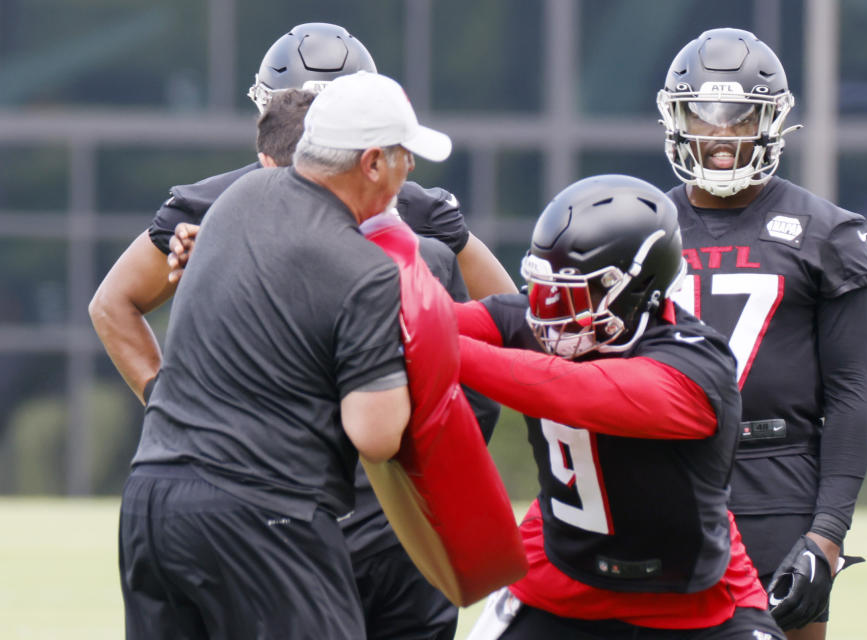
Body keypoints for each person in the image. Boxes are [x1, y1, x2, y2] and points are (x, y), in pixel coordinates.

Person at [118, 71, 453, 638]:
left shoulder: (234, 204)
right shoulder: (366, 270)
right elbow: (376, 434)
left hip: (151, 503)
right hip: (263, 515)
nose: (411, 170)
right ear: (370, 163)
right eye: (402, 155)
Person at [88, 22, 515, 407]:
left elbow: (508, 318)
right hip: (267, 461)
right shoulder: (213, 208)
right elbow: (113, 304)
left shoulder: (417, 209)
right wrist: (174, 407)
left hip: (371, 447)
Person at [456, 174, 784, 639]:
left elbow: (571, 390)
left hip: (696, 604)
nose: (547, 307)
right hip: (561, 587)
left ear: (632, 289)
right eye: (545, 285)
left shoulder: (693, 366)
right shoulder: (539, 321)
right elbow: (417, 320)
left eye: (569, 290)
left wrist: (438, 346)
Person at [657, 28, 867, 638]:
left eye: (739, 117)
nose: (721, 134)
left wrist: (828, 533)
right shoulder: (642, 223)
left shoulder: (826, 232)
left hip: (778, 481)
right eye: (703, 115)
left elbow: (852, 394)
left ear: (772, 122)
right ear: (677, 119)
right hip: (659, 474)